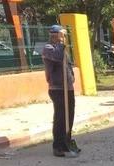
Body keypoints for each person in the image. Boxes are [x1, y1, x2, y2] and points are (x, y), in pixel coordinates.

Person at [41, 24, 78, 158]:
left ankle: (67, 141)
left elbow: (68, 65)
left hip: (68, 88)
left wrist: (72, 77)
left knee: (69, 116)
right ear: (55, 35)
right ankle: (58, 146)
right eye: (62, 35)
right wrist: (61, 43)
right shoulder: (48, 48)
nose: (65, 37)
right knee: (61, 117)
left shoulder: (63, 49)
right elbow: (57, 57)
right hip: (57, 88)